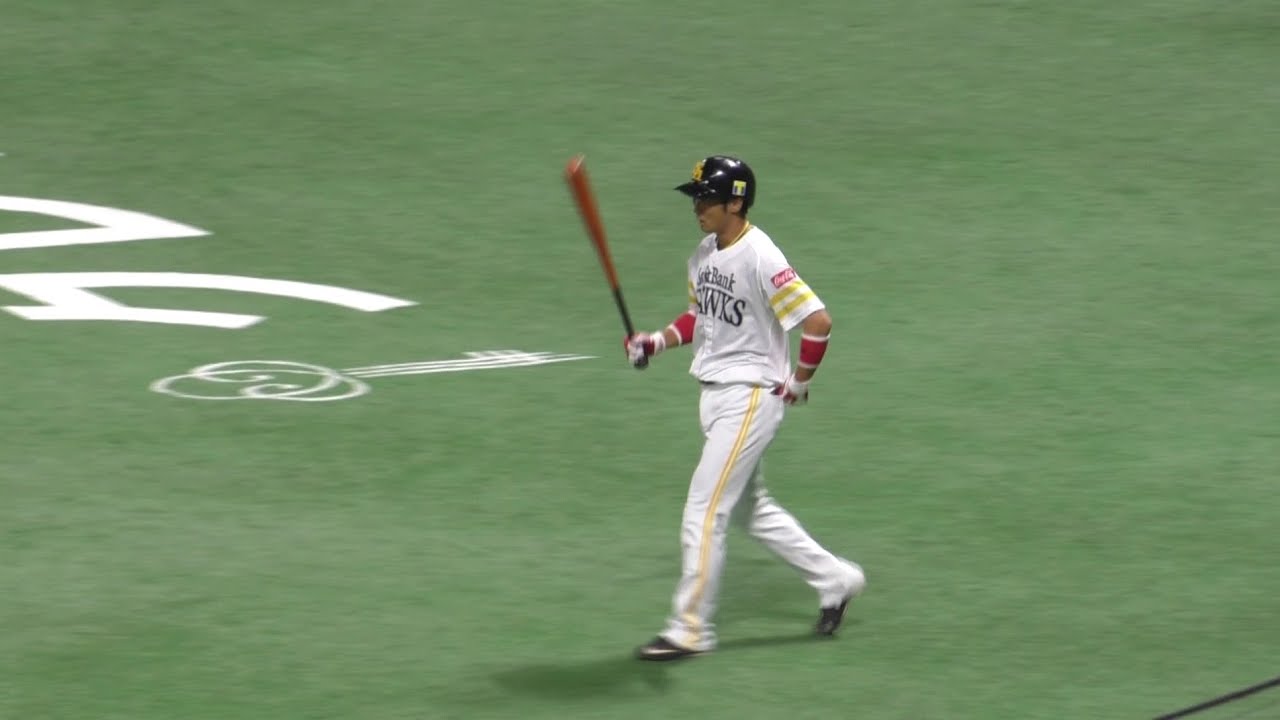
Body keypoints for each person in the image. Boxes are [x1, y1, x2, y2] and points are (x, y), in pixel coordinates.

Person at [624, 155, 866, 661]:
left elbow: (818, 321)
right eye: (696, 198)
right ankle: (836, 579)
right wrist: (655, 342)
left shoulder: (761, 256)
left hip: (750, 397)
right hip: (714, 396)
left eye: (707, 198)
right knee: (750, 512)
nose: (698, 207)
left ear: (736, 202)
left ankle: (690, 629)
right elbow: (699, 317)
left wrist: (799, 382)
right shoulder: (703, 254)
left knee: (703, 510)